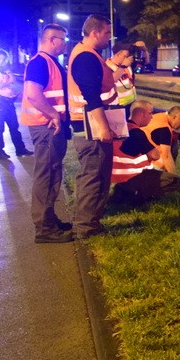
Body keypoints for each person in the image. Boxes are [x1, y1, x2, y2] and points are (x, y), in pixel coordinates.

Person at [20, 24, 73, 243]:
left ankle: (49, 220)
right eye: (63, 39)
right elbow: (33, 93)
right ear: (52, 40)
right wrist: (53, 115)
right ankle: (44, 229)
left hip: (50, 127)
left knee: (52, 174)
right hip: (46, 127)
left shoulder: (49, 62)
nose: (65, 43)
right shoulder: (40, 62)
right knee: (46, 175)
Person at [67, 14, 118, 239]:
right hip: (90, 128)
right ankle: (86, 227)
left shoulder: (88, 55)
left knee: (97, 174)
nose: (109, 37)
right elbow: (91, 96)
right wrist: (104, 128)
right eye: (107, 32)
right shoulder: (86, 57)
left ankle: (91, 223)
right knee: (92, 176)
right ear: (95, 32)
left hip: (90, 125)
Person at [109, 100, 180, 207]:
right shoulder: (137, 132)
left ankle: (124, 193)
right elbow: (155, 155)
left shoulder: (120, 128)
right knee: (174, 180)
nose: (152, 116)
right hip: (132, 176)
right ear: (141, 114)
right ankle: (137, 198)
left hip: (115, 176)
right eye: (150, 113)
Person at [0, 49, 32, 159]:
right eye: (0, 58)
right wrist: (7, 81)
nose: (2, 61)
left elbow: (12, 80)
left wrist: (8, 73)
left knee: (14, 126)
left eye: (4, 59)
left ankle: (20, 149)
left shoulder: (5, 70)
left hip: (9, 101)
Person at [138, 105, 180, 174]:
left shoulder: (159, 116)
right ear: (174, 117)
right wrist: (174, 178)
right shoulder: (164, 130)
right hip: (151, 164)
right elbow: (166, 157)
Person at [106, 41, 136, 118]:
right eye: (125, 56)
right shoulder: (107, 66)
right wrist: (123, 66)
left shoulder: (127, 66)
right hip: (115, 107)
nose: (128, 58)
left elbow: (145, 62)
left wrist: (143, 50)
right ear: (117, 54)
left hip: (128, 104)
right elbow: (111, 80)